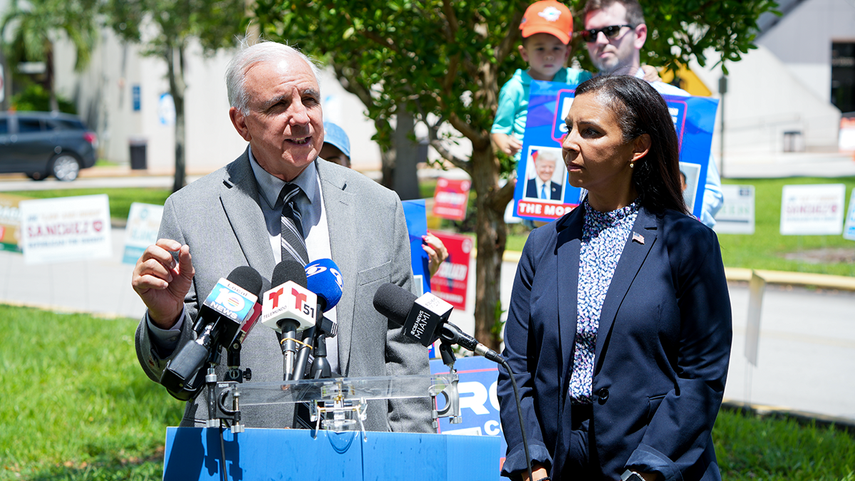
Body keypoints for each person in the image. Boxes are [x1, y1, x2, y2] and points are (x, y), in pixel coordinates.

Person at [131, 40, 432, 433]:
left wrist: (412, 455)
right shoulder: (190, 212)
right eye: (278, 105)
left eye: (310, 99)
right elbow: (174, 374)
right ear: (241, 123)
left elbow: (406, 350)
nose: (302, 117)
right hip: (240, 453)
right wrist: (165, 317)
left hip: (360, 450)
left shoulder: (378, 206)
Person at [497, 76, 732, 481]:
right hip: (559, 462)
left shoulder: (690, 244)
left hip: (654, 462)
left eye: (590, 132)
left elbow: (702, 374)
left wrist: (649, 470)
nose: (569, 142)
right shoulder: (542, 245)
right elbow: (517, 365)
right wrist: (531, 457)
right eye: (568, 128)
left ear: (637, 148)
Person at [581, 0, 725, 228]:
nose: (600, 41)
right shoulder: (568, 102)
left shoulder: (678, 103)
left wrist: (671, 237)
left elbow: (709, 193)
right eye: (590, 34)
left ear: (639, 35)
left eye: (611, 30)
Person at [320, 121, 449, 276]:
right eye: (318, 161)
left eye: (332, 162)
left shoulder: (379, 212)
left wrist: (422, 271)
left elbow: (396, 283)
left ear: (349, 165)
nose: (325, 169)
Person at [491, 1, 593, 161]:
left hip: (573, 163)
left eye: (556, 48)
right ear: (524, 53)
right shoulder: (514, 88)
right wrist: (505, 144)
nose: (548, 55)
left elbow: (611, 80)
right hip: (531, 167)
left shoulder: (579, 79)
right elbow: (499, 129)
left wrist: (647, 72)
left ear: (567, 53)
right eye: (540, 48)